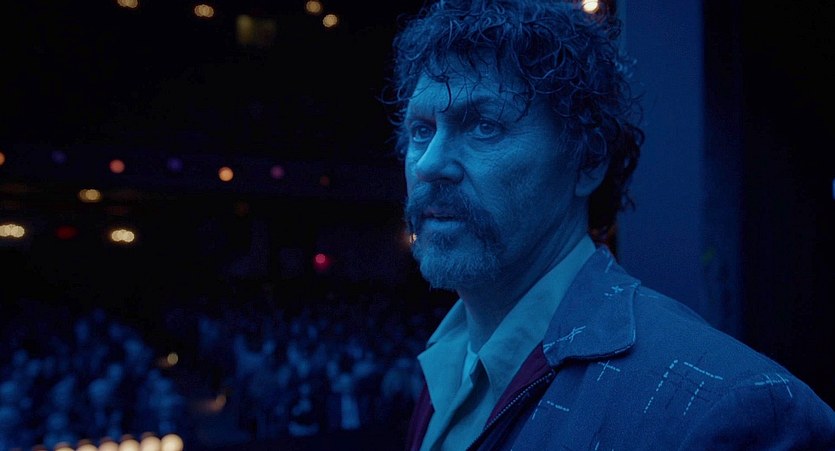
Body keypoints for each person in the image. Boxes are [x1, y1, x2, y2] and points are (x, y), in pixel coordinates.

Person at [381, 0, 835, 449]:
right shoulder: (448, 365)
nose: (429, 164)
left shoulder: (730, 411)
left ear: (588, 160)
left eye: (484, 126)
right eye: (421, 130)